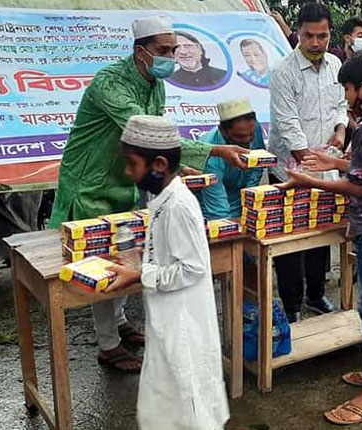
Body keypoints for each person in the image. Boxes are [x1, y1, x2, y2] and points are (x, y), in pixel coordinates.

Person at [49, 16, 246, 373]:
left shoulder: (156, 84)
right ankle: (107, 344)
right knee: (100, 257)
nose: (170, 57)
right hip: (91, 181)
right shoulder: (110, 83)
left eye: (173, 49)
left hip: (126, 176)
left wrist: (172, 168)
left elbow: (157, 138)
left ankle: (120, 321)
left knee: (126, 250)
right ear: (141, 52)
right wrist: (217, 151)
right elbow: (144, 132)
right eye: (163, 50)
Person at [276, 50, 362, 425]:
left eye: (348, 89)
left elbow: (360, 187)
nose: (346, 97)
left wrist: (311, 180)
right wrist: (334, 162)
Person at [106, 115, 229, 430]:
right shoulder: (162, 199)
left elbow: (191, 268)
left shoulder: (177, 205)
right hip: (167, 319)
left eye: (132, 164)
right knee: (165, 405)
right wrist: (137, 263)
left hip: (182, 326)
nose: (127, 171)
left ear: (158, 164)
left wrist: (139, 275)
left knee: (187, 408)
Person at [269, 2, 348, 322]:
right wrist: (309, 162)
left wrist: (342, 131)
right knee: (289, 241)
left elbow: (341, 105)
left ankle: (316, 295)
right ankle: (290, 306)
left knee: (321, 234)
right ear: (297, 33)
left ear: (330, 35)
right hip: (289, 169)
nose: (316, 43)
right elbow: (287, 124)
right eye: (309, 36)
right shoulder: (282, 71)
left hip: (325, 167)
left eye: (322, 36)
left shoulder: (335, 66)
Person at [199, 98, 267, 220]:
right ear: (223, 130)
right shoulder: (208, 153)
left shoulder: (254, 128)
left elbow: (257, 165)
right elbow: (218, 209)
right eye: (240, 136)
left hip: (241, 203)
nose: (247, 140)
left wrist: (249, 200)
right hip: (212, 208)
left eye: (250, 135)